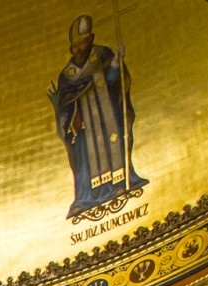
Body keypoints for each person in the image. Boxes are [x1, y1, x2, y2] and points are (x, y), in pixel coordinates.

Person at [48, 15, 147, 218]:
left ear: (91, 39)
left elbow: (113, 81)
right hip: (85, 124)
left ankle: (120, 183)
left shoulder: (102, 55)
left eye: (83, 42)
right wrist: (65, 116)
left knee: (114, 141)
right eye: (76, 45)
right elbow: (65, 103)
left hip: (107, 115)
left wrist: (116, 63)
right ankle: (86, 198)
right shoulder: (67, 74)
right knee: (85, 154)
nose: (80, 48)